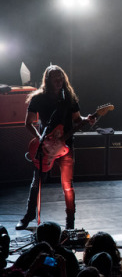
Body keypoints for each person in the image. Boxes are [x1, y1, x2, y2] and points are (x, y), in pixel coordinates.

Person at [16, 65, 96, 230]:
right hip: (45, 147)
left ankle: (70, 221)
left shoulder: (69, 98)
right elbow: (28, 122)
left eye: (61, 76)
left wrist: (86, 119)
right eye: (55, 77)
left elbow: (76, 119)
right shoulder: (38, 98)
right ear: (48, 80)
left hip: (66, 146)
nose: (59, 80)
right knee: (37, 182)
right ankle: (29, 216)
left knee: (67, 184)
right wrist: (40, 139)